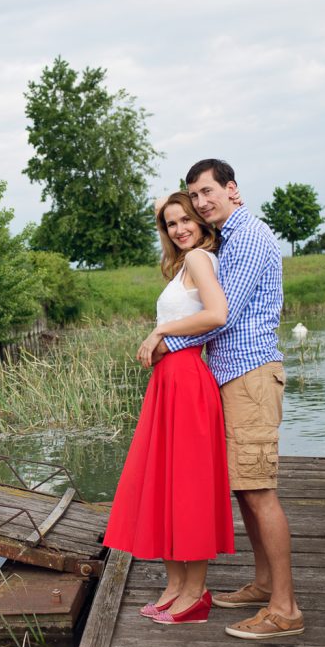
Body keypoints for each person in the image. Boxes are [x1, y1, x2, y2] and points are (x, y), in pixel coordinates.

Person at [155, 158, 304, 639]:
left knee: (259, 491)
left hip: (251, 375)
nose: (201, 203)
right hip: (228, 377)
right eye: (194, 195)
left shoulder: (250, 236)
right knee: (243, 486)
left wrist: (164, 340)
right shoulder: (227, 239)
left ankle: (285, 609)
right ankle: (264, 584)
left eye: (207, 192)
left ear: (231, 189)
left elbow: (224, 314)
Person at [102, 191, 235, 625]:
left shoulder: (199, 259)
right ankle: (175, 587)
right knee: (165, 483)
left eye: (186, 219)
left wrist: (160, 332)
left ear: (201, 220)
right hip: (169, 381)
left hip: (187, 380)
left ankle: (195, 594)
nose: (179, 229)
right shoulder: (182, 265)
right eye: (170, 223)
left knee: (188, 486)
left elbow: (217, 314)